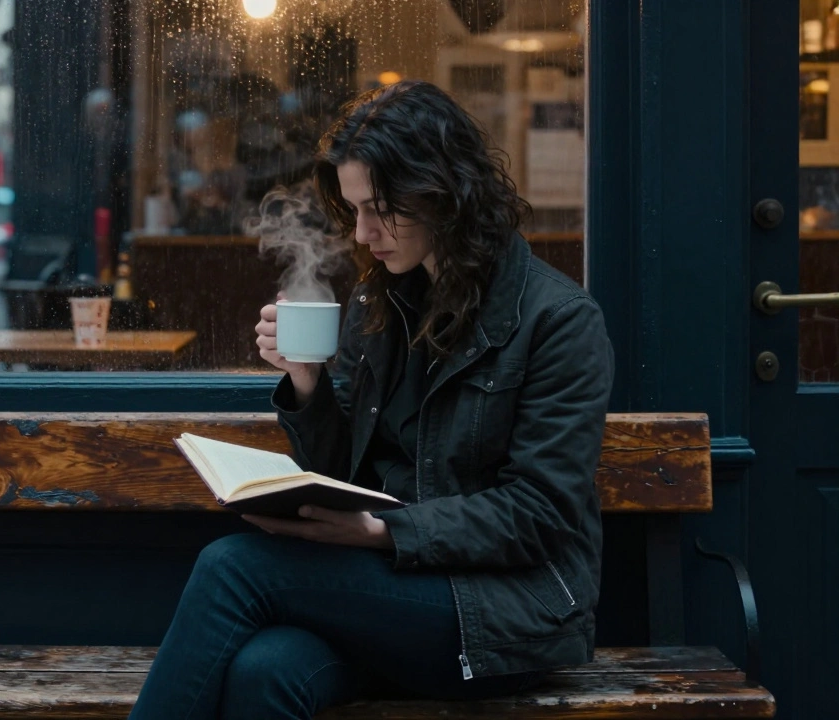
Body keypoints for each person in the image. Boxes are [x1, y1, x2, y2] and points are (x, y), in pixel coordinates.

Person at [128, 80, 615, 719]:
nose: (362, 234)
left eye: (379, 209)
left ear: (443, 193)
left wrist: (383, 532)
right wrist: (307, 380)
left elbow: (539, 513)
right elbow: (341, 473)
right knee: (264, 671)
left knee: (234, 566)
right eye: (355, 210)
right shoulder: (380, 303)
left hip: (501, 612)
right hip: (390, 594)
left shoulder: (558, 320)